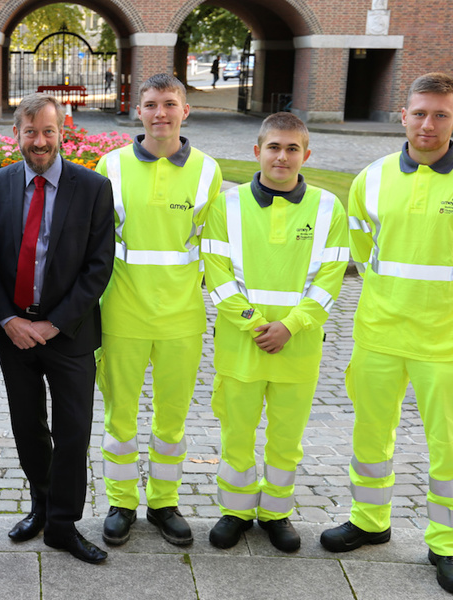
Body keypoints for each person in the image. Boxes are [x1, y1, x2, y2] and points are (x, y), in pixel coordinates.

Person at [320, 72, 453, 594]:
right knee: (371, 438)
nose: (428, 123)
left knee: (448, 446)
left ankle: (445, 541)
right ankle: (370, 522)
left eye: (441, 114)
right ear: (403, 115)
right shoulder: (370, 178)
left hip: (445, 342)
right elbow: (361, 251)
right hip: (378, 333)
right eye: (420, 112)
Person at [201, 112, 348, 552]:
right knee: (237, 434)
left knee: (286, 439)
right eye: (273, 147)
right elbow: (217, 275)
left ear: (306, 154)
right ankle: (236, 511)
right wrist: (254, 324)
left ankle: (277, 513)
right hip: (240, 346)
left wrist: (290, 326)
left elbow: (331, 278)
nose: (282, 156)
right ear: (257, 152)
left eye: (291, 148)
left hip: (298, 349)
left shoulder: (328, 208)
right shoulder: (226, 205)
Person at [0, 93, 114, 564]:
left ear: (63, 134)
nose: (39, 141)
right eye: (30, 131)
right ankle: (40, 503)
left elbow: (98, 267)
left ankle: (63, 524)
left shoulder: (93, 188)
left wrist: (55, 324)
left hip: (69, 333)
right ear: (16, 133)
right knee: (27, 426)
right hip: (13, 334)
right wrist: (9, 320)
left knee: (73, 430)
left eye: (48, 131)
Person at [95, 73, 222, 547]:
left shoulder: (208, 171)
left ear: (185, 110)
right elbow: (95, 241)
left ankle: (164, 502)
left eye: (170, 104)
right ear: (138, 111)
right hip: (123, 310)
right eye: (151, 104)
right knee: (119, 416)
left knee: (172, 418)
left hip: (182, 317)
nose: (160, 113)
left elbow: (215, 249)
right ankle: (121, 501)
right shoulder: (110, 166)